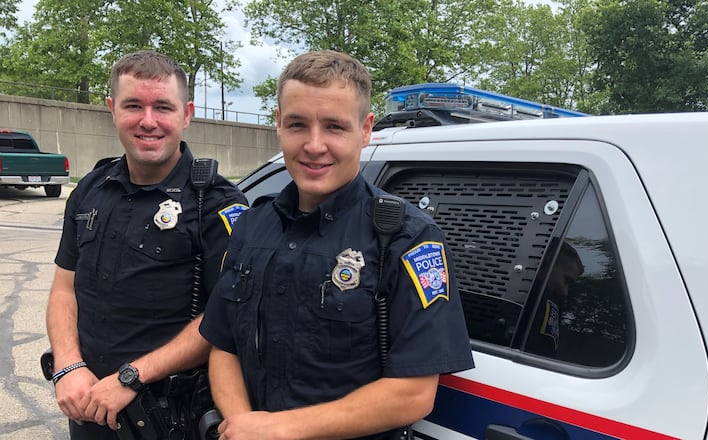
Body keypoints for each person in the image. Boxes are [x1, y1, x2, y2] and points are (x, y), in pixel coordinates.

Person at [198, 50, 475, 440]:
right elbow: (223, 345)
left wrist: (275, 430)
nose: (314, 145)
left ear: (365, 130)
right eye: (297, 124)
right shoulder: (251, 226)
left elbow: (413, 394)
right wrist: (243, 424)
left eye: (334, 127)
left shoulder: (408, 239)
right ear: (278, 124)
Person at [45, 50, 248, 439]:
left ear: (186, 114)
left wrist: (129, 379)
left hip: (168, 418)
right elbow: (64, 288)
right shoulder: (89, 189)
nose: (148, 121)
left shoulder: (217, 203)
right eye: (133, 105)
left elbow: (227, 318)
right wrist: (68, 366)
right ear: (112, 108)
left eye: (163, 107)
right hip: (87, 406)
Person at [527, 240, 584, 358]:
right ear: (547, 262)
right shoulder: (533, 303)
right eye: (566, 280)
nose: (565, 292)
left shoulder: (553, 303)